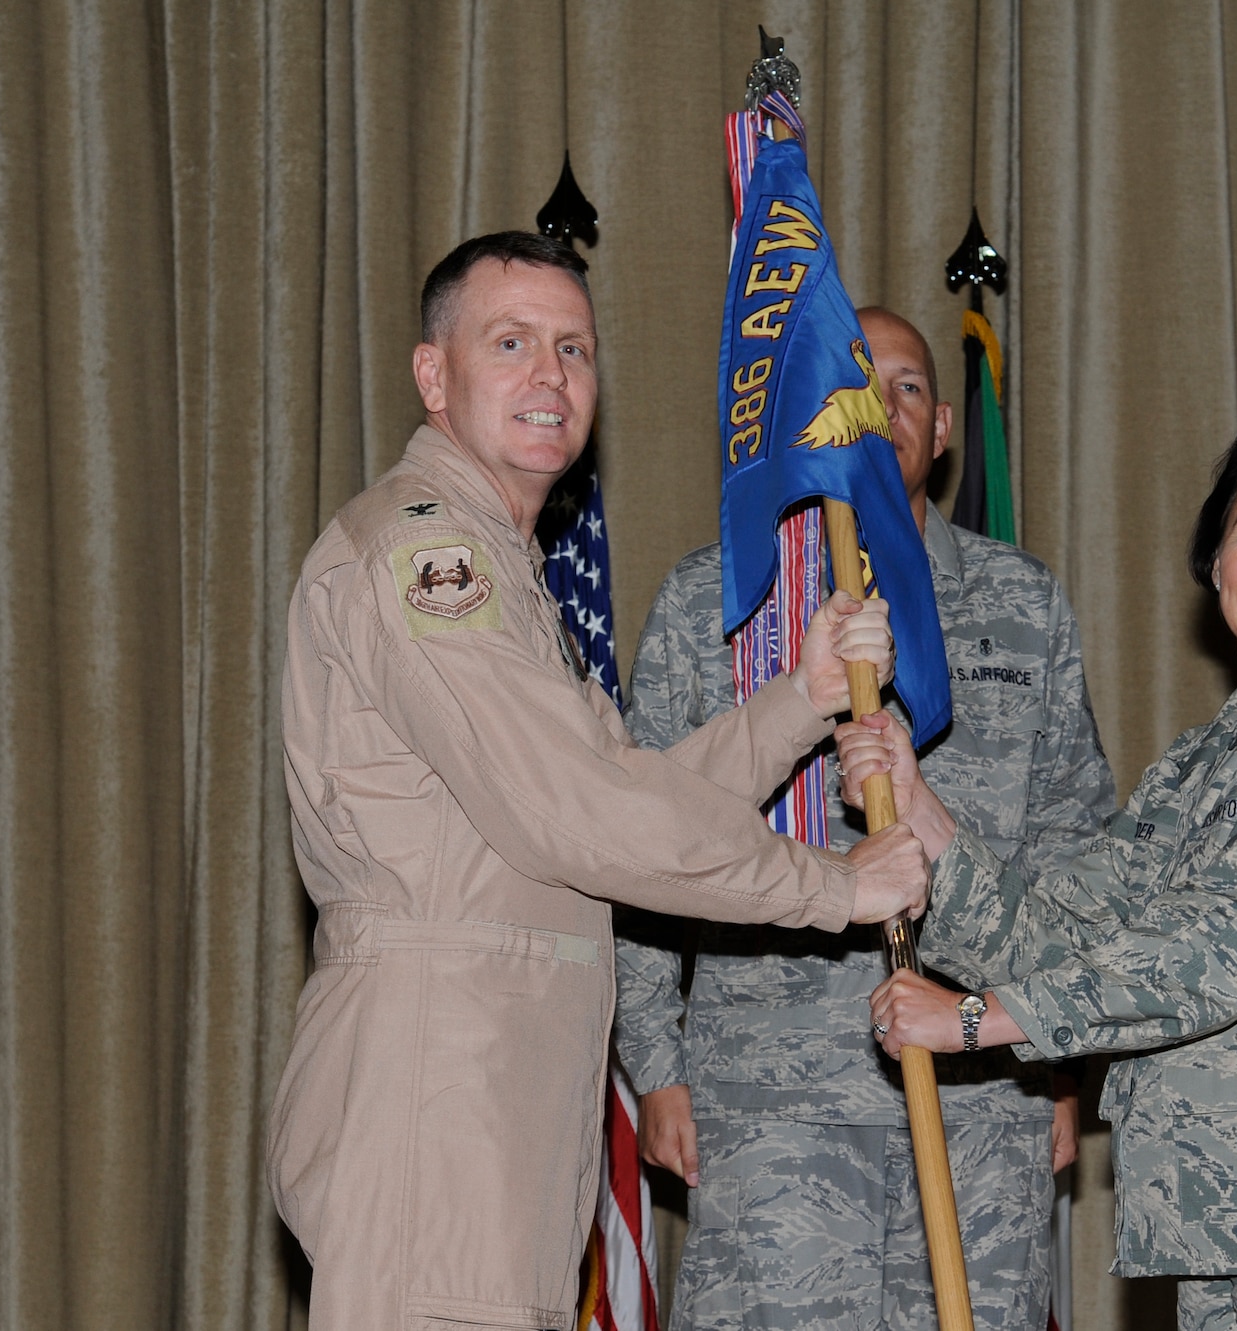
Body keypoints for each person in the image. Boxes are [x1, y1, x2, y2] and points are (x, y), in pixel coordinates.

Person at [266, 232, 930, 1331]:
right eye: (511, 342)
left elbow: (606, 788)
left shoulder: (499, 562)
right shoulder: (430, 558)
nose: (550, 376)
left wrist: (798, 702)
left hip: (493, 1076)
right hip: (442, 1077)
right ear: (434, 376)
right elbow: (577, 816)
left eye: (573, 348)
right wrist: (832, 886)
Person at [846, 419, 1237, 1330]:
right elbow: (1065, 929)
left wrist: (977, 1021)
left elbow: (1221, 946)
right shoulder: (1199, 766)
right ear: (1216, 560)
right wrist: (927, 817)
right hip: (1225, 1231)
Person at [616, 306, 1117, 1329]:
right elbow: (635, 844)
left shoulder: (1022, 605)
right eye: (855, 383)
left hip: (983, 1098)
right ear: (808, 415)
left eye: (908, 388)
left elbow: (1075, 853)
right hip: (771, 1103)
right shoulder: (715, 597)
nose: (880, 407)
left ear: (940, 430)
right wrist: (655, 1068)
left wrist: (1061, 1060)